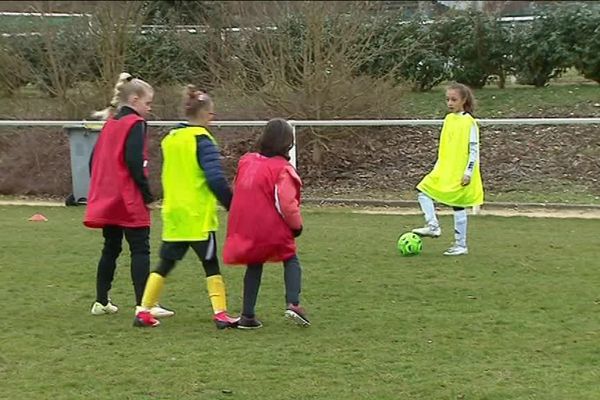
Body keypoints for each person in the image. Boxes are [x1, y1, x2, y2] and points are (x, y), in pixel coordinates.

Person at [134, 86, 239, 329]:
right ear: (204, 114)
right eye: (212, 114)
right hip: (198, 215)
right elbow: (215, 178)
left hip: (174, 213)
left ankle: (143, 310)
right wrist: (232, 204)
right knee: (210, 263)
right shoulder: (203, 141)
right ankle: (221, 314)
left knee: (165, 263)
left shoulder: (171, 139)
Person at [85, 72, 173, 318]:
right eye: (148, 103)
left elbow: (94, 161)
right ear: (134, 100)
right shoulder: (134, 124)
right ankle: (143, 304)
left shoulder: (110, 123)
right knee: (140, 249)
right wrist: (146, 193)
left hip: (108, 198)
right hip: (127, 197)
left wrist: (102, 187)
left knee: (110, 248)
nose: (149, 108)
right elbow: (135, 160)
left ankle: (101, 301)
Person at [223, 118, 309, 330]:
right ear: (288, 143)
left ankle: (247, 315)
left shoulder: (247, 161)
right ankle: (293, 303)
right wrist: (296, 226)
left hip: (245, 225)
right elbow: (287, 204)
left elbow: (239, 190)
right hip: (270, 226)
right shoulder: (282, 169)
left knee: (254, 264)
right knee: (290, 258)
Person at [412, 82, 484, 256]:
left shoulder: (470, 122)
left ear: (463, 100)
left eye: (454, 99)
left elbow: (474, 150)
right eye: (447, 99)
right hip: (444, 170)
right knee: (422, 191)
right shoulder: (448, 119)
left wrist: (468, 172)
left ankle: (461, 245)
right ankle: (433, 226)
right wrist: (438, 166)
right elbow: (444, 146)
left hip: (460, 172)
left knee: (458, 206)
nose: (450, 103)